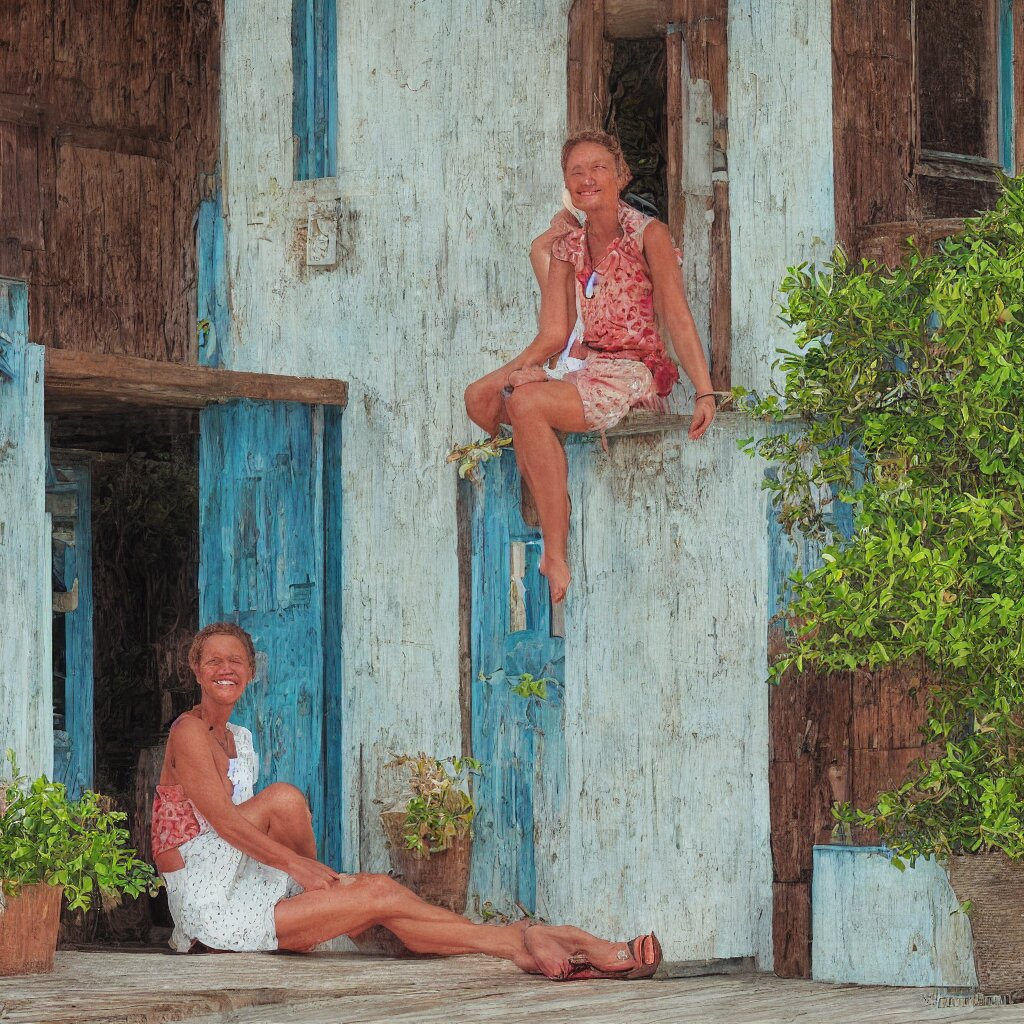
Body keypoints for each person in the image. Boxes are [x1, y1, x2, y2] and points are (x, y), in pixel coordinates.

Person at [151, 621, 662, 980]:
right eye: (213, 660)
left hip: (249, 888)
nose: (225, 668)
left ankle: (529, 941)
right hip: (211, 909)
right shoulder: (188, 732)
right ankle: (539, 939)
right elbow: (223, 824)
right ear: (195, 670)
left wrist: (306, 876)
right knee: (373, 891)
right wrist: (305, 872)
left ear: (250, 672)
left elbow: (249, 829)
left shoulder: (240, 737)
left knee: (371, 885)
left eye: (235, 660)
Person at [463, 129, 716, 603]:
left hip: (633, 370)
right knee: (482, 398)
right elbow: (555, 333)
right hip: (585, 365)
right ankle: (546, 478)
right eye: (575, 172)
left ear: (621, 175)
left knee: (529, 404)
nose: (586, 179)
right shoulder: (569, 246)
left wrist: (705, 391)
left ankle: (553, 550)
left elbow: (678, 315)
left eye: (598, 167)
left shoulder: (649, 236)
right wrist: (519, 371)